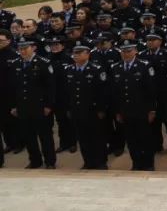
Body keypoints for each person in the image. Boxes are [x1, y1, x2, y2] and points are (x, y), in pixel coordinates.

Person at [111, 42, 158, 171]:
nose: (125, 54)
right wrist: (118, 111)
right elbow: (115, 92)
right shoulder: (116, 67)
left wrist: (152, 110)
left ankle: (148, 164)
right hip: (125, 111)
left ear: (135, 51)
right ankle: (136, 163)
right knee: (131, 141)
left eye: (128, 51)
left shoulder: (144, 66)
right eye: (123, 51)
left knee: (145, 139)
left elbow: (151, 90)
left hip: (142, 110)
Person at [11, 39, 57, 169]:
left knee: (45, 136)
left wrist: (48, 105)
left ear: (33, 48)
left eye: (26, 48)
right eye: (20, 49)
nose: (23, 51)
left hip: (40, 106)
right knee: (28, 136)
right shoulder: (15, 64)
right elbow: (13, 88)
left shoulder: (43, 63)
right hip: (23, 107)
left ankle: (50, 161)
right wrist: (14, 106)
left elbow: (50, 87)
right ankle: (35, 160)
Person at [62, 43, 109, 170]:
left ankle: (101, 161)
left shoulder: (96, 69)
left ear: (87, 54)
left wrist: (101, 109)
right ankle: (88, 161)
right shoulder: (69, 70)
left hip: (93, 110)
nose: (75, 55)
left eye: (79, 53)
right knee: (83, 139)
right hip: (77, 110)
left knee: (97, 137)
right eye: (74, 53)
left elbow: (103, 92)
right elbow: (66, 92)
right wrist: (68, 108)